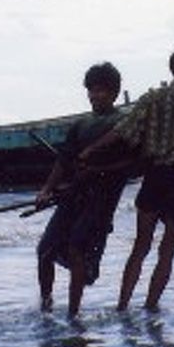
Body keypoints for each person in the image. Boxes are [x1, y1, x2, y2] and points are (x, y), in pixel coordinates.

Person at [79, 47, 174, 311]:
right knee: (167, 250)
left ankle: (122, 306)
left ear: (172, 70)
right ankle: (150, 308)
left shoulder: (153, 98)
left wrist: (92, 149)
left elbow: (123, 132)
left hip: (156, 177)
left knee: (141, 245)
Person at [36, 62, 131, 317]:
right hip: (73, 196)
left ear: (114, 93)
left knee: (77, 249)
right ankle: (46, 306)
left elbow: (133, 164)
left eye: (101, 90)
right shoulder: (81, 124)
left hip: (101, 200)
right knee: (45, 250)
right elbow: (64, 161)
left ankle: (73, 314)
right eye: (91, 90)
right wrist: (47, 189)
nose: (95, 95)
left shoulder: (123, 124)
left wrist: (100, 171)